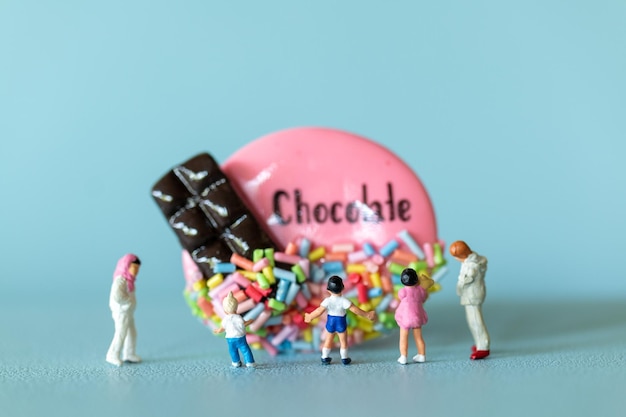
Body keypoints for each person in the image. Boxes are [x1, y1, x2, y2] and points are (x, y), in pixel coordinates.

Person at [304, 275, 376, 365]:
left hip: (330, 321)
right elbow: (355, 310)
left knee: (328, 340)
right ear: (343, 288)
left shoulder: (327, 300)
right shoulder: (344, 300)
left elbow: (319, 311)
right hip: (340, 322)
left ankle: (325, 357)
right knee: (343, 341)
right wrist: (367, 314)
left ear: (328, 290)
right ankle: (344, 358)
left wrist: (310, 316)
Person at [449, 240, 490, 360]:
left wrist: (460, 286)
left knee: (476, 321)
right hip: (470, 294)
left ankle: (483, 346)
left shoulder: (472, 266)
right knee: (472, 320)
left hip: (472, 295)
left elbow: (465, 281)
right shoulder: (473, 260)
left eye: (456, 257)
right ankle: (479, 343)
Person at [106, 254, 142, 366]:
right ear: (126, 266)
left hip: (128, 312)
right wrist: (127, 302)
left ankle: (129, 354)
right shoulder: (120, 280)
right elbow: (117, 296)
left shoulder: (130, 282)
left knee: (132, 333)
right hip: (121, 312)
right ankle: (112, 355)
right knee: (121, 333)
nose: (136, 271)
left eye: (137, 269)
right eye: (134, 268)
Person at [394, 268, 434, 364]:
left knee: (403, 337)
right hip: (417, 316)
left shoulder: (402, 291)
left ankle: (403, 356)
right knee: (418, 337)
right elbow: (423, 298)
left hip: (405, 318)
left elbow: (400, 298)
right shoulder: (421, 291)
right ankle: (422, 355)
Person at [213, 292, 256, 368]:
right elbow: (243, 324)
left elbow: (223, 328)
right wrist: (250, 321)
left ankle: (236, 362)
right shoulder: (238, 317)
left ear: (225, 311)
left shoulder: (225, 319)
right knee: (245, 350)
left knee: (232, 351)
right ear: (236, 308)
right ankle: (249, 362)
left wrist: (218, 330)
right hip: (240, 337)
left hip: (230, 339)